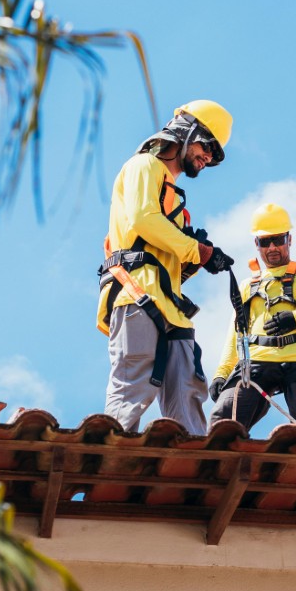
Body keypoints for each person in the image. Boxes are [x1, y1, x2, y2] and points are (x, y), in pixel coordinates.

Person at [97, 100, 235, 433]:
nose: (207, 159)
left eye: (214, 156)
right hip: (136, 293)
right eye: (207, 148)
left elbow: (168, 257)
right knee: (133, 385)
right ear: (187, 132)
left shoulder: (174, 201)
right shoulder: (143, 166)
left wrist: (201, 257)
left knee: (187, 390)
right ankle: (106, 458)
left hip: (169, 306)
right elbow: (144, 220)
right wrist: (193, 249)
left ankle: (194, 471)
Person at [208, 203, 296, 442]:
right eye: (265, 242)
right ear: (256, 244)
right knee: (222, 423)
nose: (272, 247)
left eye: (278, 239)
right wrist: (221, 373)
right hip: (258, 362)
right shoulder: (247, 286)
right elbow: (236, 333)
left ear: (289, 239)